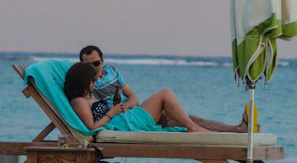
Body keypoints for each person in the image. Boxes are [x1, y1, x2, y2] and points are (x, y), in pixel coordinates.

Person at [78, 45, 249, 132]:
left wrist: (125, 107)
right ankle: (195, 130)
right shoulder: (87, 85)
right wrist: (117, 111)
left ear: (102, 60)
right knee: (165, 93)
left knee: (190, 118)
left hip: (132, 110)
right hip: (125, 119)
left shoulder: (112, 71)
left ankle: (237, 130)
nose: (93, 67)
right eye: (88, 64)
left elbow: (134, 98)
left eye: (96, 63)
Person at [63, 62, 212, 132]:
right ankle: (194, 127)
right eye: (93, 80)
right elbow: (91, 127)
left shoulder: (86, 98)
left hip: (124, 117)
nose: (94, 83)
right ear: (83, 81)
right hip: (123, 124)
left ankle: (195, 127)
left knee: (168, 105)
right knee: (165, 94)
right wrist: (111, 113)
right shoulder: (79, 102)